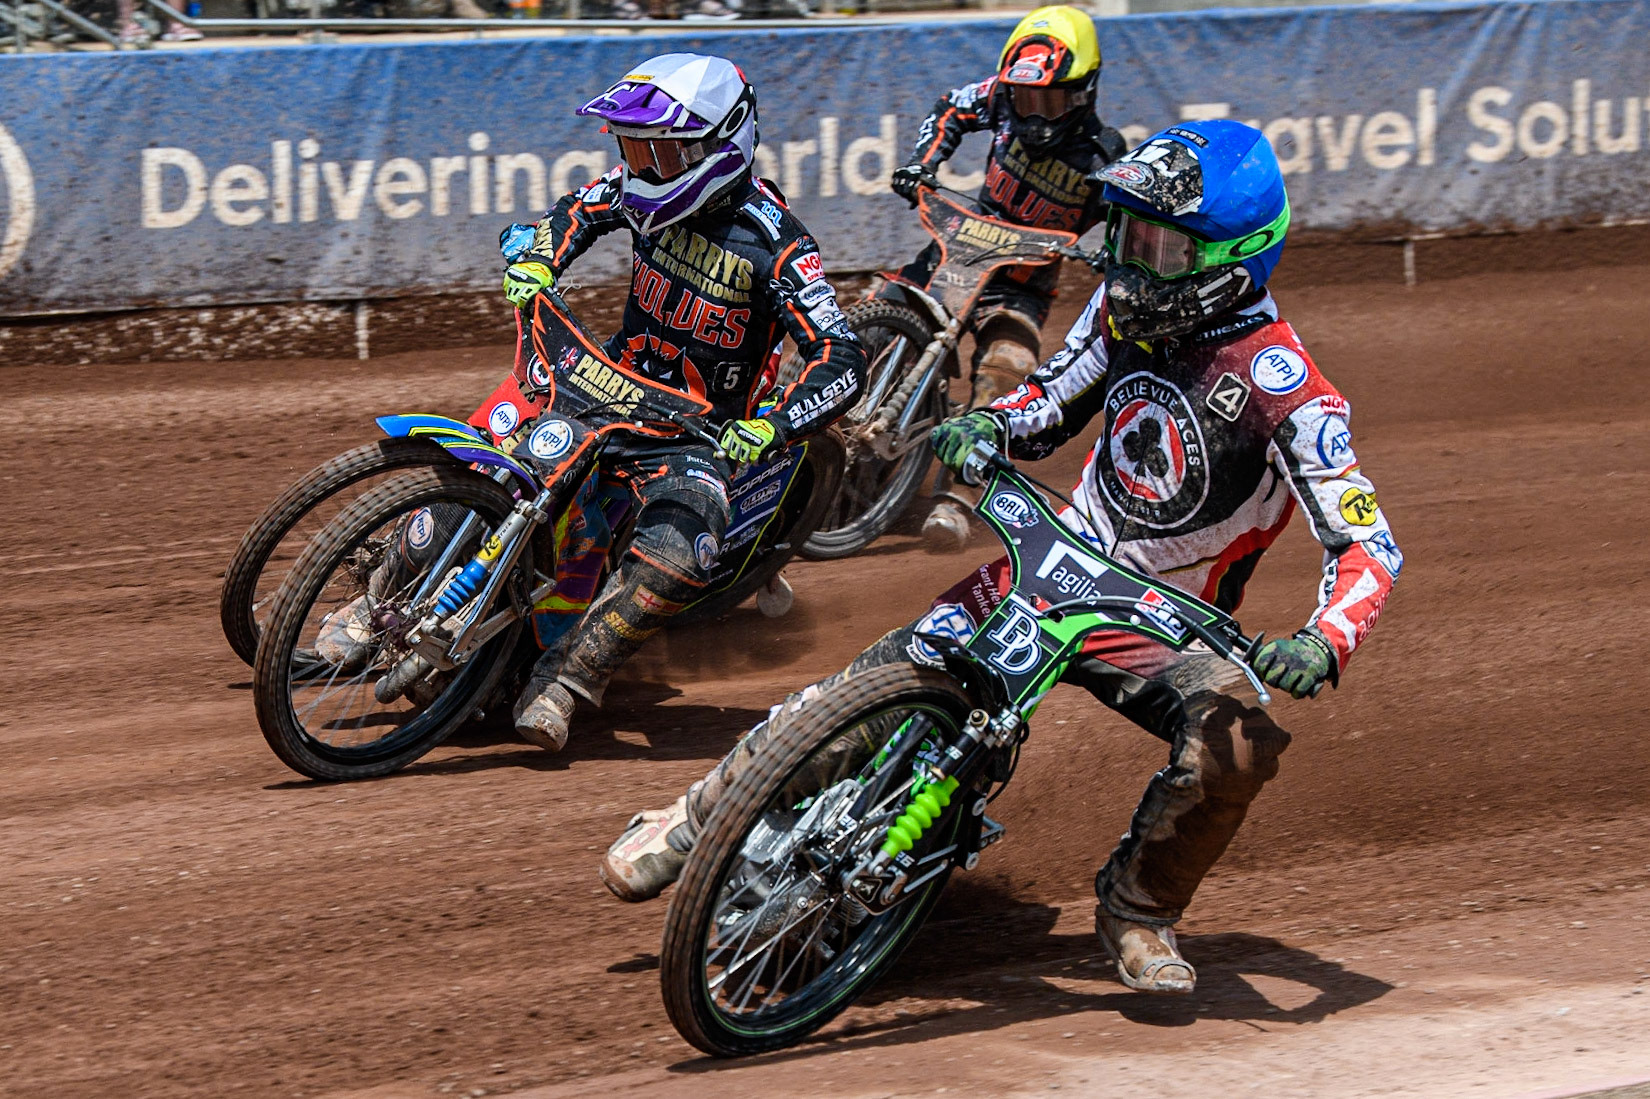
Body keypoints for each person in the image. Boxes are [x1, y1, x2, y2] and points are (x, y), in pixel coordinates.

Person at [600, 120, 1403, 996]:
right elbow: (1049, 400)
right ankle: (699, 816)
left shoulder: (1287, 389)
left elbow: (1369, 542)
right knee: (884, 676)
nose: (1132, 262)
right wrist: (993, 421)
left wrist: (1325, 637)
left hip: (1160, 619)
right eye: (1128, 234)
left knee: (1239, 748)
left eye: (1161, 245)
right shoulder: (1122, 307)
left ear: (1233, 261)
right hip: (1057, 558)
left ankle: (1139, 911)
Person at [499, 53, 867, 751]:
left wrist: (776, 423)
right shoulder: (635, 187)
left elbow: (842, 357)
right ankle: (389, 582)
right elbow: (577, 211)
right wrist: (541, 254)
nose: (644, 168)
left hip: (697, 436)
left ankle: (566, 677)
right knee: (498, 438)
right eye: (635, 150)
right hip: (606, 380)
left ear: (720, 147)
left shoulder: (779, 245)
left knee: (680, 551)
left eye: (661, 152)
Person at [883, 5, 1126, 552]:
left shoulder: (1103, 153)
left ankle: (958, 499)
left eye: (1050, 98)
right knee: (873, 318)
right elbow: (949, 108)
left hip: (1020, 286)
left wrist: (1109, 255)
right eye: (1025, 98)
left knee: (1008, 370)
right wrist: (923, 163)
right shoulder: (999, 97)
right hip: (958, 251)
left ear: (1083, 91)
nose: (1034, 112)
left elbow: (1124, 221)